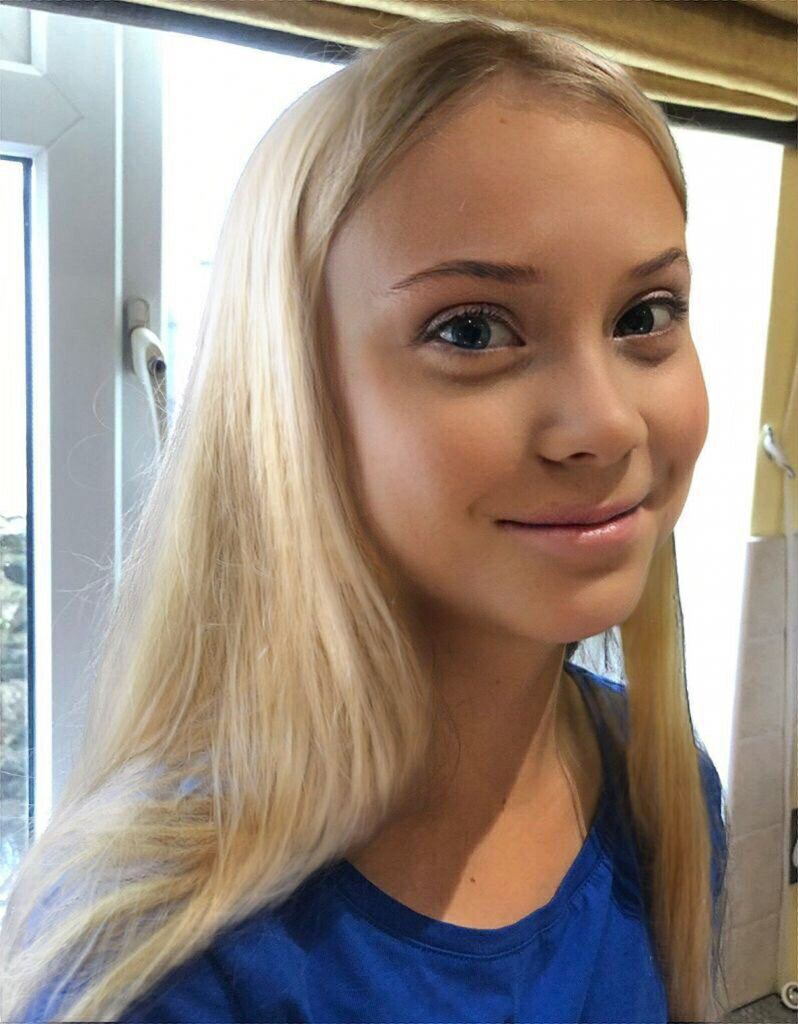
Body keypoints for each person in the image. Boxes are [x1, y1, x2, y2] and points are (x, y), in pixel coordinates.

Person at [1, 15, 729, 1024]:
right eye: (471, 330)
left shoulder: (661, 790)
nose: (606, 425)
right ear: (295, 402)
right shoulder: (162, 960)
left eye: (645, 315)